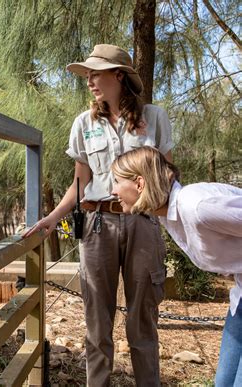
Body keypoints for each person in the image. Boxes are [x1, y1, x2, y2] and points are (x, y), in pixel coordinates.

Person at [23, 44, 174, 386]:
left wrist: (173, 215)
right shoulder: (84, 123)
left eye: (96, 74)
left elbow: (168, 172)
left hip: (143, 223)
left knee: (143, 319)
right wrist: (52, 218)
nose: (89, 81)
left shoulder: (155, 117)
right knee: (96, 319)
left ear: (118, 75)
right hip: (97, 224)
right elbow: (81, 180)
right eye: (87, 75)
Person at [111, 146, 242, 387]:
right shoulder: (169, 214)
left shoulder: (197, 206)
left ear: (139, 183)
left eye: (118, 182)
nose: (113, 190)